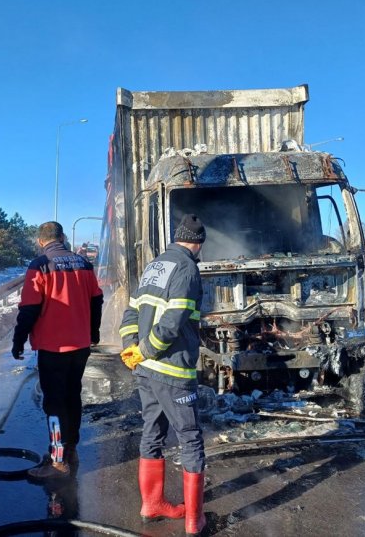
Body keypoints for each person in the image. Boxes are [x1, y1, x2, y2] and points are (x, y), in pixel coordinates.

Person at [118, 213, 207, 536]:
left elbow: (131, 311)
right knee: (190, 438)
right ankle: (194, 521)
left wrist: (132, 347)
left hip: (146, 370)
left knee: (152, 431)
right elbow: (172, 323)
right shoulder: (187, 268)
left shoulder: (155, 265)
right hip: (172, 369)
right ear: (198, 244)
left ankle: (151, 504)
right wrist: (147, 349)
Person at [12, 221, 103, 479]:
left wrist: (18, 340)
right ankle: (70, 450)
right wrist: (93, 332)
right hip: (80, 346)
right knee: (73, 397)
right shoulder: (84, 264)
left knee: (53, 403)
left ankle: (57, 459)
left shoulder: (39, 265)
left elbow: (29, 308)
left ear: (41, 241)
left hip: (53, 348)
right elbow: (97, 299)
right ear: (62, 237)